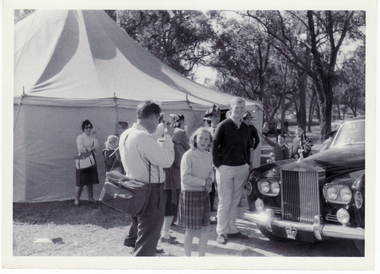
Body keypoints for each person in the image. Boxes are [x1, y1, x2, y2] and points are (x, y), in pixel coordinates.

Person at [120, 100, 175, 256]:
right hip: (151, 192)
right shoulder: (143, 137)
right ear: (153, 118)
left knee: (142, 229)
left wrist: (162, 126)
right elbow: (167, 161)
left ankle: (140, 246)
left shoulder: (127, 133)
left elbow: (149, 139)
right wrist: (168, 138)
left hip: (134, 187)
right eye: (157, 120)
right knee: (149, 236)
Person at [212, 97, 251, 245]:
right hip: (225, 168)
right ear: (231, 110)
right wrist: (218, 165)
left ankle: (232, 229)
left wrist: (246, 163)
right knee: (225, 201)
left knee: (235, 202)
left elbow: (248, 147)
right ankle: (221, 232)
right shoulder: (223, 126)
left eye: (242, 108)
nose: (239, 111)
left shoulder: (246, 128)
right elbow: (214, 146)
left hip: (241, 168)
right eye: (237, 108)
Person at [177, 127, 214, 256]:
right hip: (190, 194)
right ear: (195, 139)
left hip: (204, 194)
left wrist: (210, 179)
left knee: (205, 228)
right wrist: (204, 182)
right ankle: (188, 259)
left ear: (210, 141)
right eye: (201, 138)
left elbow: (211, 172)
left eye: (206, 139)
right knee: (191, 230)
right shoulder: (188, 155)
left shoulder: (209, 155)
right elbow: (185, 178)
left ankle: (201, 258)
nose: (203, 141)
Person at [160, 114, 190, 245]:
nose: (173, 128)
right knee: (170, 208)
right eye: (171, 126)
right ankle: (165, 234)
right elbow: (178, 162)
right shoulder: (171, 143)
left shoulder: (156, 141)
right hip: (172, 180)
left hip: (160, 179)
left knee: (162, 208)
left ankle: (163, 233)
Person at [75, 120, 100, 206]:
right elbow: (81, 149)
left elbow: (97, 146)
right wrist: (90, 148)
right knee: (80, 182)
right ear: (83, 128)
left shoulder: (93, 137)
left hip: (91, 159)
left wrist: (95, 138)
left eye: (90, 127)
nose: (88, 129)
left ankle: (91, 198)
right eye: (86, 128)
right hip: (82, 160)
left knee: (90, 181)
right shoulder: (80, 137)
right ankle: (76, 199)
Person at [203, 104, 221, 212]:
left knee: (218, 185)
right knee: (209, 182)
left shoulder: (222, 128)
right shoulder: (207, 131)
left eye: (218, 115)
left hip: (219, 161)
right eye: (214, 116)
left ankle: (215, 207)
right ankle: (207, 206)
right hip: (208, 160)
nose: (217, 117)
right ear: (210, 117)